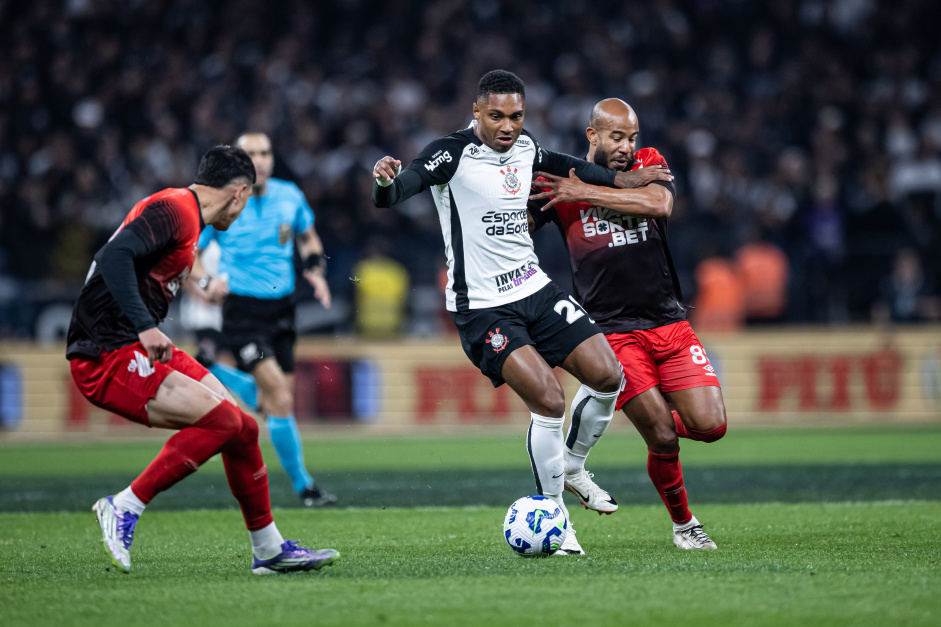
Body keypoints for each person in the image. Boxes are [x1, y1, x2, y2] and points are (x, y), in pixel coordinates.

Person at [371, 70, 670, 556]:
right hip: (483, 307)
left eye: (516, 116)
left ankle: (572, 466)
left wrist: (628, 179)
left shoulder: (526, 148)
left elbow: (574, 167)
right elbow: (396, 192)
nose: (507, 126)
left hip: (533, 288)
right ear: (476, 112)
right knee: (550, 400)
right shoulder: (450, 154)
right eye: (496, 116)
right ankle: (555, 515)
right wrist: (384, 185)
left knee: (608, 375)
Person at [66, 145, 339, 573]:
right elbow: (112, 257)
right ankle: (124, 506)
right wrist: (144, 325)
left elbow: (151, 264)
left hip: (135, 344)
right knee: (224, 422)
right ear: (239, 192)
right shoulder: (175, 208)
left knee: (244, 427)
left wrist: (200, 286)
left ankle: (268, 550)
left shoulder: (185, 213)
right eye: (246, 201)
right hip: (106, 352)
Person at [529, 98, 728, 550]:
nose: (626, 147)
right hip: (613, 332)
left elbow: (659, 204)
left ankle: (633, 411)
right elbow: (517, 225)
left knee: (711, 426)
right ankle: (684, 526)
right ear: (592, 136)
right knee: (660, 434)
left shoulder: (648, 163)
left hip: (669, 323)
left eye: (631, 137)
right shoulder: (556, 184)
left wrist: (585, 193)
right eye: (617, 137)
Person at [193, 132, 337, 508]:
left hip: (282, 309)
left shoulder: (290, 196)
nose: (259, 159)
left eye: (265, 152)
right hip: (242, 310)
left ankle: (213, 369)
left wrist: (316, 271)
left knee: (277, 402)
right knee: (278, 394)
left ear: (273, 158)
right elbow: (192, 251)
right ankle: (305, 487)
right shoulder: (223, 201)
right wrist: (207, 283)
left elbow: (309, 239)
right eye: (251, 153)